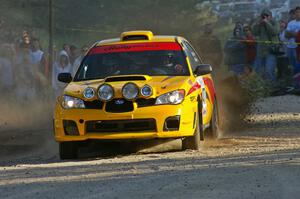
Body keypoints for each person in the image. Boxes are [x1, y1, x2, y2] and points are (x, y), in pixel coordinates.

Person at [252, 9, 279, 83]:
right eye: (263, 16)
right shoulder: (260, 24)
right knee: (261, 71)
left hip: (271, 50)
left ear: (271, 16)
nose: (265, 17)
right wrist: (258, 24)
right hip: (261, 51)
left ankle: (273, 86)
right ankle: (265, 87)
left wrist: (267, 23)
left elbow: (274, 32)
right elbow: (254, 32)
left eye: (267, 15)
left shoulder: (274, 22)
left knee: (269, 70)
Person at [285, 6, 300, 75]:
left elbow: (298, 35)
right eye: (296, 12)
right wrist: (295, 34)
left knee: (297, 66)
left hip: (297, 48)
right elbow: (286, 35)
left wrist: (292, 33)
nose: (298, 13)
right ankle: (293, 81)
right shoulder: (291, 23)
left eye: (299, 12)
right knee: (291, 66)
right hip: (289, 47)